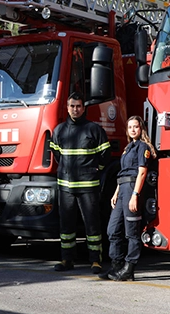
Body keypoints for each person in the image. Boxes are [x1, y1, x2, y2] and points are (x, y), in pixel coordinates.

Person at [49, 92, 110, 273]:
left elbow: (105, 156)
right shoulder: (59, 130)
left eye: (78, 106)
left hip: (88, 186)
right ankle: (67, 260)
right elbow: (57, 154)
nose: (75, 109)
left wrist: (92, 170)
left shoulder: (94, 129)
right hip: (66, 186)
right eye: (72, 106)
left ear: (83, 108)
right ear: (67, 108)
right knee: (66, 226)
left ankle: (95, 261)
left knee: (92, 224)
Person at [101, 115, 155, 281]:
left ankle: (129, 268)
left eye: (136, 127)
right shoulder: (128, 148)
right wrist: (116, 192)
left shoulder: (142, 147)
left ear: (141, 128)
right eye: (130, 127)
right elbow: (123, 172)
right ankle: (116, 266)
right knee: (112, 230)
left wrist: (135, 195)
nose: (133, 130)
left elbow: (142, 172)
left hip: (132, 188)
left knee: (131, 233)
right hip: (122, 188)